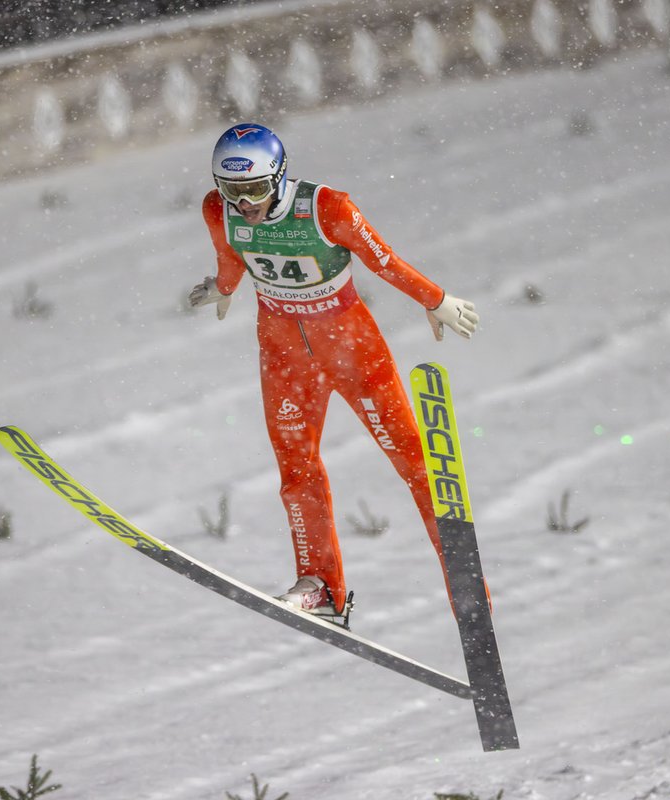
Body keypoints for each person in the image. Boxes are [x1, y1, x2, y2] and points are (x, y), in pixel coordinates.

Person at [189, 123, 479, 625]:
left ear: (280, 177)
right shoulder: (219, 211)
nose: (244, 204)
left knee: (411, 458)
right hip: (282, 354)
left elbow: (383, 261)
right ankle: (320, 585)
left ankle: (463, 581)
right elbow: (231, 253)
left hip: (351, 348)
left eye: (255, 190)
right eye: (232, 191)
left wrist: (436, 300)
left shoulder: (329, 208)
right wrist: (224, 286)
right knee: (296, 469)